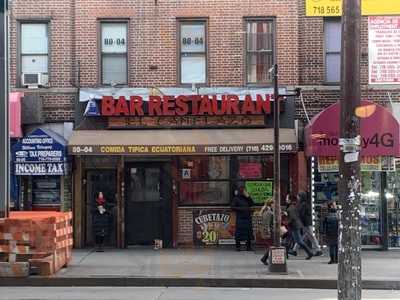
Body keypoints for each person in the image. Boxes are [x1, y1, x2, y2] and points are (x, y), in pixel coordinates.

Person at [292, 191, 323, 256]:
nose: (297, 197)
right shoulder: (304, 204)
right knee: (304, 236)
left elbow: (301, 214)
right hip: (306, 223)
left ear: (300, 197)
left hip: (306, 223)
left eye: (298, 196)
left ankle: (318, 249)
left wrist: (298, 218)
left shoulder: (303, 204)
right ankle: (294, 250)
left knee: (310, 236)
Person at [231, 186, 254, 251]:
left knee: (248, 233)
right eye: (243, 191)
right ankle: (238, 247)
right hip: (240, 218)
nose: (244, 192)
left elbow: (252, 204)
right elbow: (233, 207)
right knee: (239, 233)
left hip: (247, 218)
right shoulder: (236, 198)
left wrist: (248, 197)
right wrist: (242, 209)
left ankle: (248, 247)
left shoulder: (246, 198)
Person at [260, 199, 274, 265]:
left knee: (272, 246)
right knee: (272, 246)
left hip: (268, 231)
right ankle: (264, 258)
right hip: (268, 231)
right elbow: (266, 224)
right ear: (270, 204)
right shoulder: (268, 212)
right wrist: (268, 233)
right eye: (274, 203)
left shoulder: (268, 211)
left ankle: (264, 258)